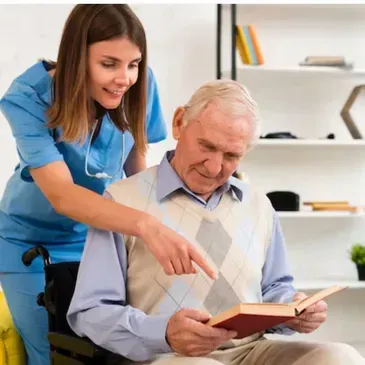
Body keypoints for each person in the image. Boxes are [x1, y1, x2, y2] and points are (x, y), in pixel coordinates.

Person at [67, 79, 365, 365]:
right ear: (179, 122)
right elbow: (90, 312)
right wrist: (165, 333)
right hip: (165, 356)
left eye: (231, 155)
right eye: (207, 147)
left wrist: (294, 310)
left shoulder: (259, 205)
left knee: (341, 357)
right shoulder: (122, 201)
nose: (214, 167)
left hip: (252, 352)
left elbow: (275, 288)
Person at [0, 4, 215, 365]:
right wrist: (145, 225)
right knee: (55, 352)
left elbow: (136, 171)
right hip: (31, 245)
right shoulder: (28, 98)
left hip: (103, 236)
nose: (125, 78)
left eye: (133, 64)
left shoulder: (140, 85)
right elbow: (63, 195)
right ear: (75, 58)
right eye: (109, 63)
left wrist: (166, 225)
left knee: (117, 347)